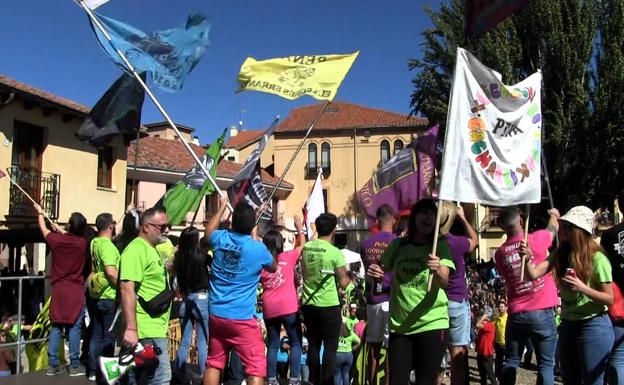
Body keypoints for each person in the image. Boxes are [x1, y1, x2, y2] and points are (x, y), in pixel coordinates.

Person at [368, 199, 455, 385]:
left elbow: (444, 280)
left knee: (425, 381)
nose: (428, 216)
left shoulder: (440, 245)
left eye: (432, 213)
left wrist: (438, 268)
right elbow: (379, 271)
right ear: (414, 217)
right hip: (401, 326)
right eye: (424, 212)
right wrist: (375, 273)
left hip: (431, 322)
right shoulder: (398, 246)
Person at [525, 205, 614, 385]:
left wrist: (582, 288)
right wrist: (527, 259)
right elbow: (532, 274)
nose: (563, 230)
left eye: (568, 227)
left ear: (580, 231)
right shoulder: (561, 254)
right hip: (568, 326)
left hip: (593, 325)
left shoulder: (598, 259)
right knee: (569, 380)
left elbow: (609, 298)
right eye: (563, 225)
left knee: (593, 381)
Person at [203, 198, 277, 385]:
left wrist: (220, 208)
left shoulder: (220, 239)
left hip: (217, 314)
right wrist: (254, 234)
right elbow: (273, 267)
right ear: (253, 225)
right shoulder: (257, 248)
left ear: (232, 222)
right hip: (242, 318)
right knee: (255, 366)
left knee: (214, 362)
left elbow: (208, 233)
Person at [495, 206, 560, 385]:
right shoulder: (536, 239)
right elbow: (553, 228)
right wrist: (553, 214)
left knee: (511, 361)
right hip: (542, 310)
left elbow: (504, 275)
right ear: (522, 222)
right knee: (546, 365)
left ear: (501, 226)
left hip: (516, 312)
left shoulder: (500, 254)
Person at [119, 207, 172, 385]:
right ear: (146, 227)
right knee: (162, 377)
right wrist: (132, 328)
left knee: (140, 378)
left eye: (168, 225)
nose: (167, 230)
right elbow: (127, 288)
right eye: (162, 226)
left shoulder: (150, 249)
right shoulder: (136, 249)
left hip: (153, 326)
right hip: (146, 327)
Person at [35, 204, 88, 377]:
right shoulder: (82, 243)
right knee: (74, 327)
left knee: (56, 327)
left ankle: (52, 365)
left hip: (59, 290)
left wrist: (40, 214)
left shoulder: (56, 241)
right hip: (75, 291)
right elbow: (70, 236)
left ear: (69, 226)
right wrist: (59, 229)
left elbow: (43, 230)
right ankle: (74, 365)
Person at [301, 212, 351, 385]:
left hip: (308, 304)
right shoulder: (335, 252)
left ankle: (313, 380)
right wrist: (349, 276)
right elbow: (344, 283)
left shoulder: (306, 247)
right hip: (329, 306)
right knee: (330, 347)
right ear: (334, 229)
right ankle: (327, 381)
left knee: (313, 345)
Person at [261, 215, 306, 385]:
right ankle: (294, 380)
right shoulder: (288, 257)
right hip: (289, 308)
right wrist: (299, 227)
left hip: (269, 308)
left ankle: (271, 380)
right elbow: (302, 246)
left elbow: (254, 241)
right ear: (281, 244)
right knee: (295, 343)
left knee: (272, 344)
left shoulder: (261, 262)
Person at [440, 202, 478, 385]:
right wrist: (463, 218)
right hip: (456, 301)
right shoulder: (456, 242)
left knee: (436, 354)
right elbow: (475, 241)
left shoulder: (428, 244)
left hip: (436, 303)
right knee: (457, 352)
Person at [360, 204, 396, 385]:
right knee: (391, 349)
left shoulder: (365, 244)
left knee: (373, 347)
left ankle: (371, 382)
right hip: (392, 300)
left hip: (373, 299)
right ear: (394, 220)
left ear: (377, 221)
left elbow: (367, 273)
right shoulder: (397, 242)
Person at [87, 213, 120, 381]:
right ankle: (106, 372)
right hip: (108, 295)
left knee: (96, 333)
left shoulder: (94, 242)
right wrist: (122, 287)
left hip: (95, 294)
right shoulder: (108, 246)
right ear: (110, 226)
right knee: (109, 337)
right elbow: (110, 271)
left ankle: (92, 370)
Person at [174, 226, 211, 376]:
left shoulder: (178, 258)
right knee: (202, 342)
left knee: (184, 341)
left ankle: (179, 373)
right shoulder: (202, 256)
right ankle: (203, 375)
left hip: (185, 300)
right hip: (201, 299)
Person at [600, 191, 624, 385]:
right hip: (618, 305)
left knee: (618, 357)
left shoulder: (609, 235)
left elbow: (605, 270)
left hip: (619, 304)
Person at [476, 311, 498, 385]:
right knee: (482, 374)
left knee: (490, 373)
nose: (482, 321)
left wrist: (483, 318)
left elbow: (478, 324)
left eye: (484, 320)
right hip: (480, 353)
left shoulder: (490, 325)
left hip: (487, 354)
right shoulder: (484, 327)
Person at [493, 301, 508, 380]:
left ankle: (504, 376)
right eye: (499, 307)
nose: (500, 308)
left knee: (506, 362)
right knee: (498, 361)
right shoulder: (497, 318)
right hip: (498, 343)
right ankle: (497, 375)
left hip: (506, 344)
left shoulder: (508, 318)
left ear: (506, 308)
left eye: (502, 307)